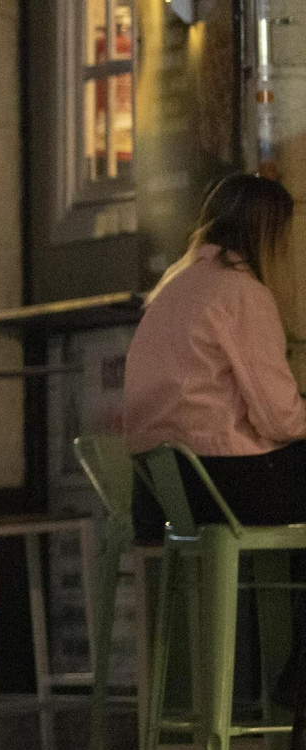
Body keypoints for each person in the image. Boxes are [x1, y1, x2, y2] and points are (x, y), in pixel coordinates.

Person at [123, 173, 306, 703]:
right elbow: (281, 420)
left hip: (163, 490)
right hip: (221, 486)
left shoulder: (174, 290)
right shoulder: (242, 293)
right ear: (271, 235)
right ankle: (300, 673)